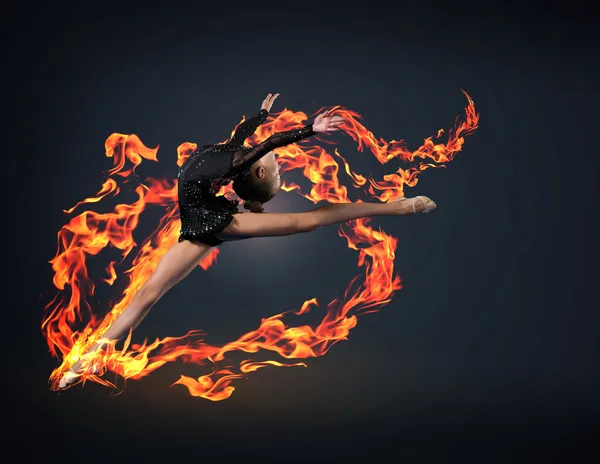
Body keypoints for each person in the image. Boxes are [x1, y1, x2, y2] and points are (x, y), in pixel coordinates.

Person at [58, 93, 436, 389]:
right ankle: (88, 359)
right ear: (256, 168)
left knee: (308, 222)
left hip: (211, 220)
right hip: (199, 225)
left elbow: (260, 140)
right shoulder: (235, 156)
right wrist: (286, 123)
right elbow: (255, 137)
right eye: (275, 166)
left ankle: (395, 208)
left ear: (253, 171)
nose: (276, 161)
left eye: (274, 165)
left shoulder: (235, 161)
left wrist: (287, 124)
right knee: (145, 296)